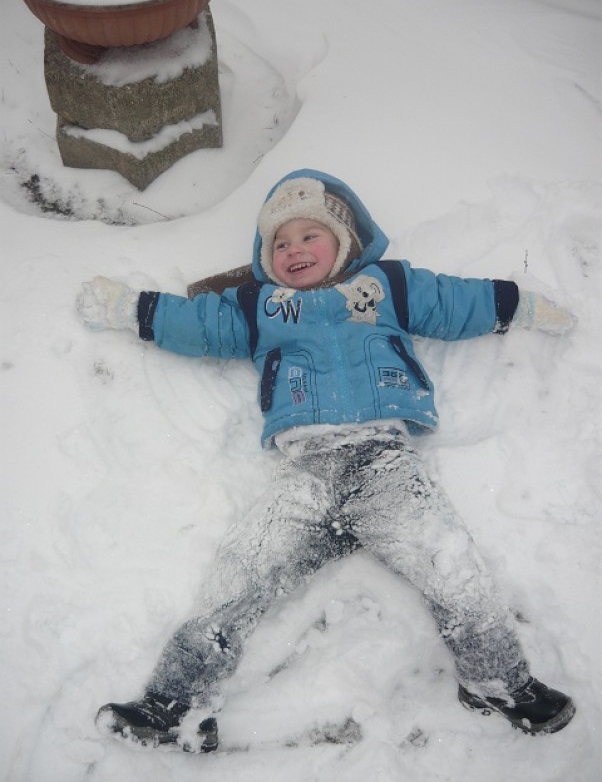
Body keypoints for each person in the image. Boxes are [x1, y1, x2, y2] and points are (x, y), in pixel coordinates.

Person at [77, 169, 576, 752]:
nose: (294, 251)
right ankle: (174, 704)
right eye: (280, 243)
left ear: (344, 241)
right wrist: (129, 308)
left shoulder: (388, 287)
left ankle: (498, 682)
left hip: (385, 465)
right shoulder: (262, 306)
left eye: (309, 236)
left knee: (453, 569)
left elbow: (456, 301)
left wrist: (521, 305)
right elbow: (198, 324)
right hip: (307, 472)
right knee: (238, 577)